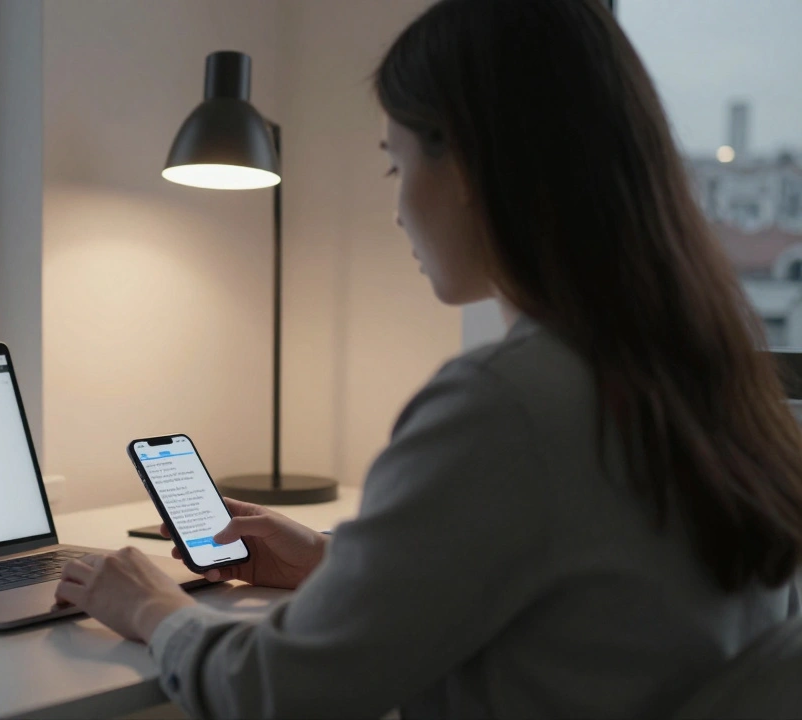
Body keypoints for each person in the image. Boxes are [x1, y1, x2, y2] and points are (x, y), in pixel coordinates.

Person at [54, 1, 802, 717]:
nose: (397, 208)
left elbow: (279, 695)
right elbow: (587, 592)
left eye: (395, 165)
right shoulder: (700, 378)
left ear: (468, 167)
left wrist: (153, 609)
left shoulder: (505, 405)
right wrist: (331, 564)